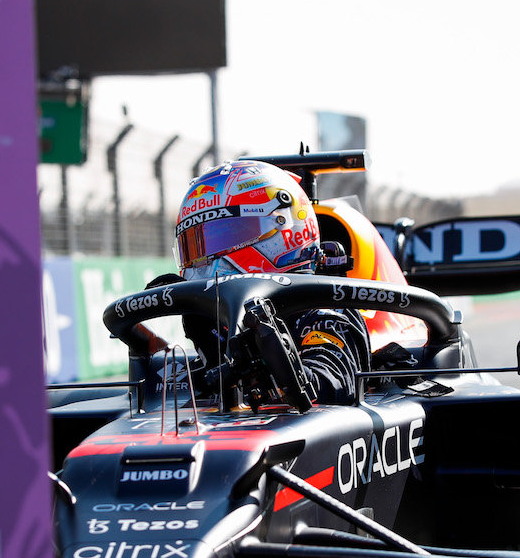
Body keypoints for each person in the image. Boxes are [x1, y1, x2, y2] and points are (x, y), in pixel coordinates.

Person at [153, 159, 401, 406]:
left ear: (281, 229)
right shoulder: (220, 321)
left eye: (223, 237)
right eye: (196, 246)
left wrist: (270, 366)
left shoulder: (323, 310)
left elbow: (329, 382)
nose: (206, 260)